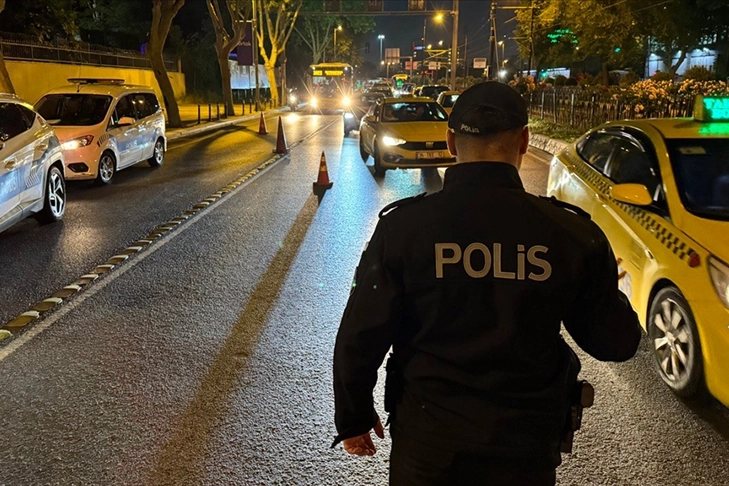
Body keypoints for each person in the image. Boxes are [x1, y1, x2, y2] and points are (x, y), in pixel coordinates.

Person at [331, 81, 642, 485]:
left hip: (428, 446)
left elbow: (360, 334)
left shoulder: (403, 229)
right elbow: (616, 343)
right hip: (525, 449)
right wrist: (609, 291)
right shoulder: (571, 235)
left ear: (451, 142)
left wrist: (353, 416)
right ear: (524, 141)